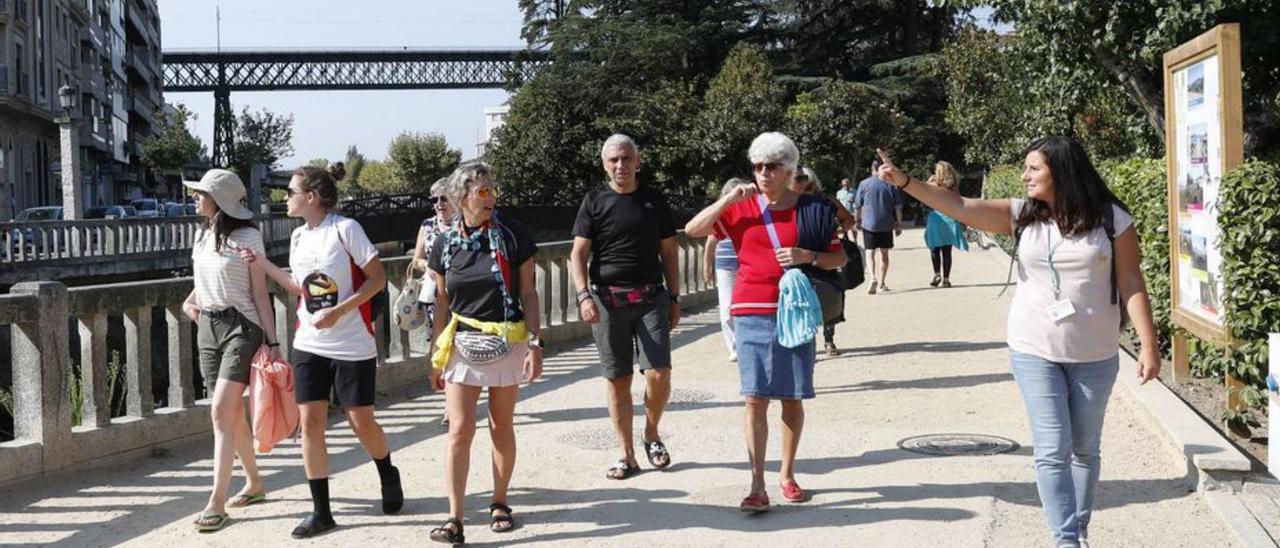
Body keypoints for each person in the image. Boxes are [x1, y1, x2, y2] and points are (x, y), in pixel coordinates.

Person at [874, 137, 1160, 548]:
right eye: (1025, 168)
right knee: (1051, 447)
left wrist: (1148, 345)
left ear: (1060, 172)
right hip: (1033, 348)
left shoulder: (1111, 219)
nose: (1025, 176)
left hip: (1095, 352)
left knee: (1084, 448)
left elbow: (1131, 281)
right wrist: (904, 181)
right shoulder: (1022, 214)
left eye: (1033, 168)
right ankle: (1066, 541)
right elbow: (958, 206)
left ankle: (1078, 529)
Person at [684, 132, 846, 513]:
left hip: (793, 311)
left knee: (791, 398)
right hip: (750, 309)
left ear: (788, 169)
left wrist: (807, 255)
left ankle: (786, 475)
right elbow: (693, 230)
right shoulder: (741, 210)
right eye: (757, 167)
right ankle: (757, 483)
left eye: (771, 166)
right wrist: (727, 199)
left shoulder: (813, 209)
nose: (763, 174)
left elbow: (838, 259)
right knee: (755, 398)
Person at [241, 164, 402, 539]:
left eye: (291, 192)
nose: (286, 199)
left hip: (352, 342)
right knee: (310, 423)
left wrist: (340, 311)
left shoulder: (346, 230)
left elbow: (378, 279)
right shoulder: (298, 237)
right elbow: (300, 288)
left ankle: (387, 472)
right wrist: (262, 264)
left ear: (311, 197)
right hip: (309, 343)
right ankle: (322, 512)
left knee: (360, 420)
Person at [425, 161, 543, 546]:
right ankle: (455, 518)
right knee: (459, 429)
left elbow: (528, 293)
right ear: (462, 198)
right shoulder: (444, 244)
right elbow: (442, 300)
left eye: (493, 190)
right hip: (462, 344)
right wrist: (435, 354)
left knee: (501, 426)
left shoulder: (512, 235)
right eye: (483, 191)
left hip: (508, 341)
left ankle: (500, 502)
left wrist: (535, 344)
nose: (491, 197)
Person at [571, 134, 680, 480]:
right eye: (614, 160)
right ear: (604, 165)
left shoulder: (653, 200)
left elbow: (670, 252)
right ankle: (626, 454)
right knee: (618, 380)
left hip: (651, 297)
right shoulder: (594, 201)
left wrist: (675, 297)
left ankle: (651, 433)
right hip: (607, 301)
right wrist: (583, 295)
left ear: (638, 161)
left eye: (626, 158)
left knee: (658, 373)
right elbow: (578, 254)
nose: (621, 165)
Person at [182, 169, 278, 533]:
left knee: (221, 411)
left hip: (242, 326)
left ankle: (216, 503)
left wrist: (273, 342)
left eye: (201, 193)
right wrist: (191, 304)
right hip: (207, 326)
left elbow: (258, 294)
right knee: (230, 412)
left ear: (219, 200)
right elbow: (201, 282)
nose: (195, 198)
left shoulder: (250, 236)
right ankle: (254, 484)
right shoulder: (202, 235)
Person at [790, 167, 848, 357]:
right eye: (797, 178)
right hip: (796, 265)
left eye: (803, 178)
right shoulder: (784, 204)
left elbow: (848, 220)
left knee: (829, 295)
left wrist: (834, 231)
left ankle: (829, 339)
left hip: (824, 257)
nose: (801, 182)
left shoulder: (825, 201)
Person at [411, 177, 454, 428]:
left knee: (456, 348)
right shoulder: (427, 226)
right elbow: (417, 259)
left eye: (444, 198)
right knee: (440, 347)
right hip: (434, 297)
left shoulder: (464, 224)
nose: (438, 204)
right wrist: (430, 265)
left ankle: (453, 405)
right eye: (434, 199)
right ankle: (449, 403)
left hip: (459, 296)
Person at [703, 178, 753, 363]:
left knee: (747, 306)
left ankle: (747, 343)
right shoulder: (720, 213)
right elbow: (710, 240)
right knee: (726, 308)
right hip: (725, 264)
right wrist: (706, 266)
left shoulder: (750, 211)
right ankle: (734, 347)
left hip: (747, 262)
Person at [853, 160, 903, 294]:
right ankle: (882, 283)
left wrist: (857, 220)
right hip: (886, 224)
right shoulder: (891, 184)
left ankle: (872, 278)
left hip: (869, 224)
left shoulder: (864, 184)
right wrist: (898, 224)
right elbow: (898, 207)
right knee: (884, 254)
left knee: (870, 253)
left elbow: (857, 205)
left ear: (871, 169)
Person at [922, 161, 969, 288]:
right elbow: (959, 202)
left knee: (934, 248)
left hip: (936, 218)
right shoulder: (954, 186)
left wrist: (928, 180)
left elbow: (923, 194)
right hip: (950, 218)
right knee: (947, 251)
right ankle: (946, 279)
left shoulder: (934, 183)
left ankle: (937, 274)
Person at [836, 177, 858, 242]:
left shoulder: (854, 192)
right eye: (844, 185)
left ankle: (855, 241)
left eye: (846, 184)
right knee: (844, 230)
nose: (845, 186)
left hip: (851, 214)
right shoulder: (839, 192)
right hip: (842, 215)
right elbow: (837, 203)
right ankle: (846, 242)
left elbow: (857, 203)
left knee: (853, 229)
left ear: (849, 184)